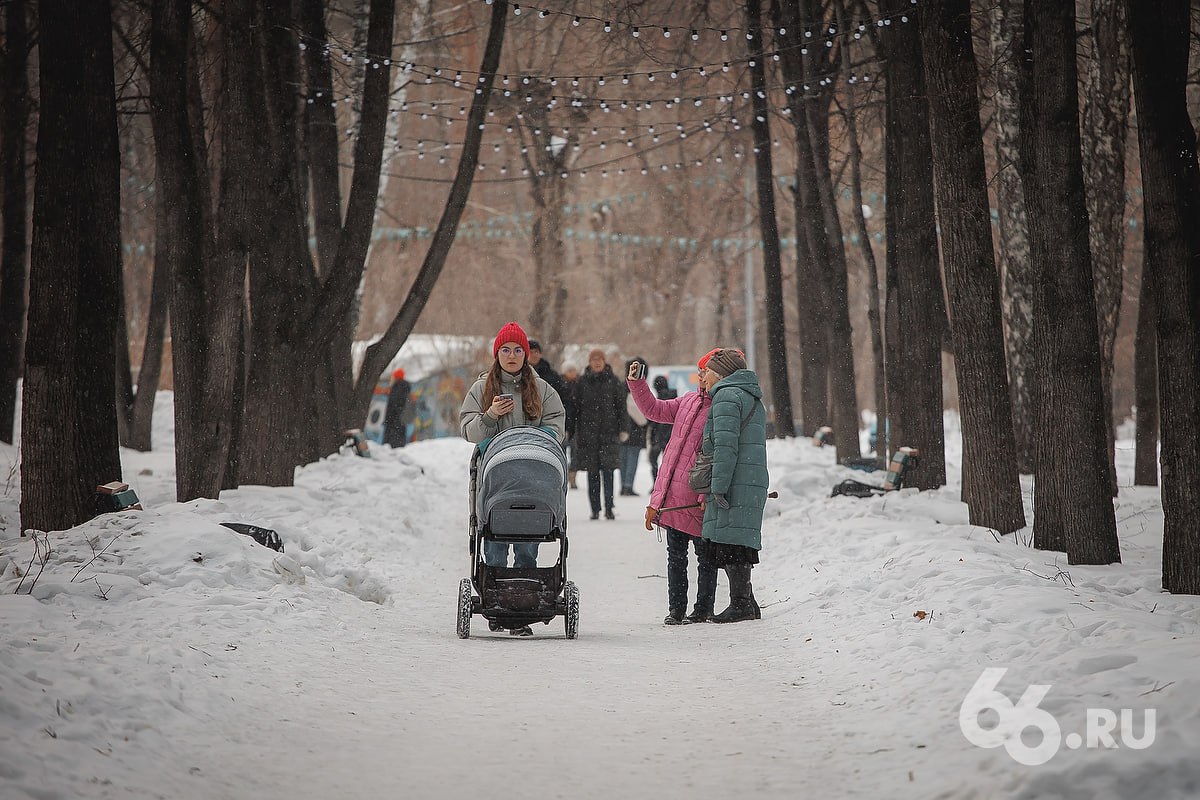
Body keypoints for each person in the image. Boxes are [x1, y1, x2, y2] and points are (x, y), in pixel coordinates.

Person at [459, 322, 566, 634]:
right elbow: (468, 430)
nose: (512, 355)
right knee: (493, 541)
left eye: (518, 350)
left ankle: (523, 604)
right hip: (496, 480)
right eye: (505, 350)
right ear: (497, 354)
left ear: (526, 354)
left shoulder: (542, 389)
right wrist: (490, 416)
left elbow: (557, 423)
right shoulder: (481, 389)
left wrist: (539, 434)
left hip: (534, 477)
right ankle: (495, 601)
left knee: (527, 542)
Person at [627, 351, 718, 625]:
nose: (700, 376)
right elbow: (654, 410)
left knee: (706, 557)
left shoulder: (722, 408)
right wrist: (638, 383)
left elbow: (718, 456)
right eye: (700, 371)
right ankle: (676, 610)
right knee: (675, 556)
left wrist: (706, 493)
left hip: (700, 497)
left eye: (706, 371)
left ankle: (703, 608)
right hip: (675, 497)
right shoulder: (689, 401)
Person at [697, 348, 768, 624]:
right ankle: (747, 600)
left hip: (735, 478)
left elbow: (725, 447)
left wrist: (718, 486)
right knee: (738, 538)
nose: (705, 378)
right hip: (749, 477)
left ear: (722, 373)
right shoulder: (750, 396)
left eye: (709, 372)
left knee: (731, 541)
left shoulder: (727, 396)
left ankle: (740, 603)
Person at [572, 348, 624, 520]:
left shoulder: (614, 381)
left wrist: (623, 428)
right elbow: (575, 409)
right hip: (588, 436)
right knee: (592, 474)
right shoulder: (582, 382)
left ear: (604, 361)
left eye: (599, 359)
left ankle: (609, 508)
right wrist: (571, 429)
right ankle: (595, 509)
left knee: (608, 474)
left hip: (608, 434)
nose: (596, 362)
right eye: (593, 359)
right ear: (589, 362)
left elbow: (621, 408)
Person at [619, 356, 650, 496]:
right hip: (635, 428)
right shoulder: (638, 386)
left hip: (622, 428)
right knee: (632, 458)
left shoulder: (621, 385)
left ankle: (624, 485)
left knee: (624, 459)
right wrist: (646, 421)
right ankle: (628, 486)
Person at [648, 375, 677, 481]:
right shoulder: (675, 397)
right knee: (670, 463)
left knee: (653, 460)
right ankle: (668, 482)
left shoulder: (658, 400)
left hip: (658, 436)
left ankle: (656, 482)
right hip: (672, 435)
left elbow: (652, 420)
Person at [561, 362, 580, 489]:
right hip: (562, 424)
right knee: (561, 453)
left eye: (573, 370)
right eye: (569, 370)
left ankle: (572, 478)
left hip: (576, 425)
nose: (572, 373)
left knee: (575, 454)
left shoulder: (579, 385)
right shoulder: (559, 385)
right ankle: (562, 476)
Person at [382, 368, 412, 447]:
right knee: (398, 443)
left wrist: (389, 419)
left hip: (394, 423)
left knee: (391, 446)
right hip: (399, 422)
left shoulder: (397, 388)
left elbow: (394, 405)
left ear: (396, 377)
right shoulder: (403, 388)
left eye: (393, 377)